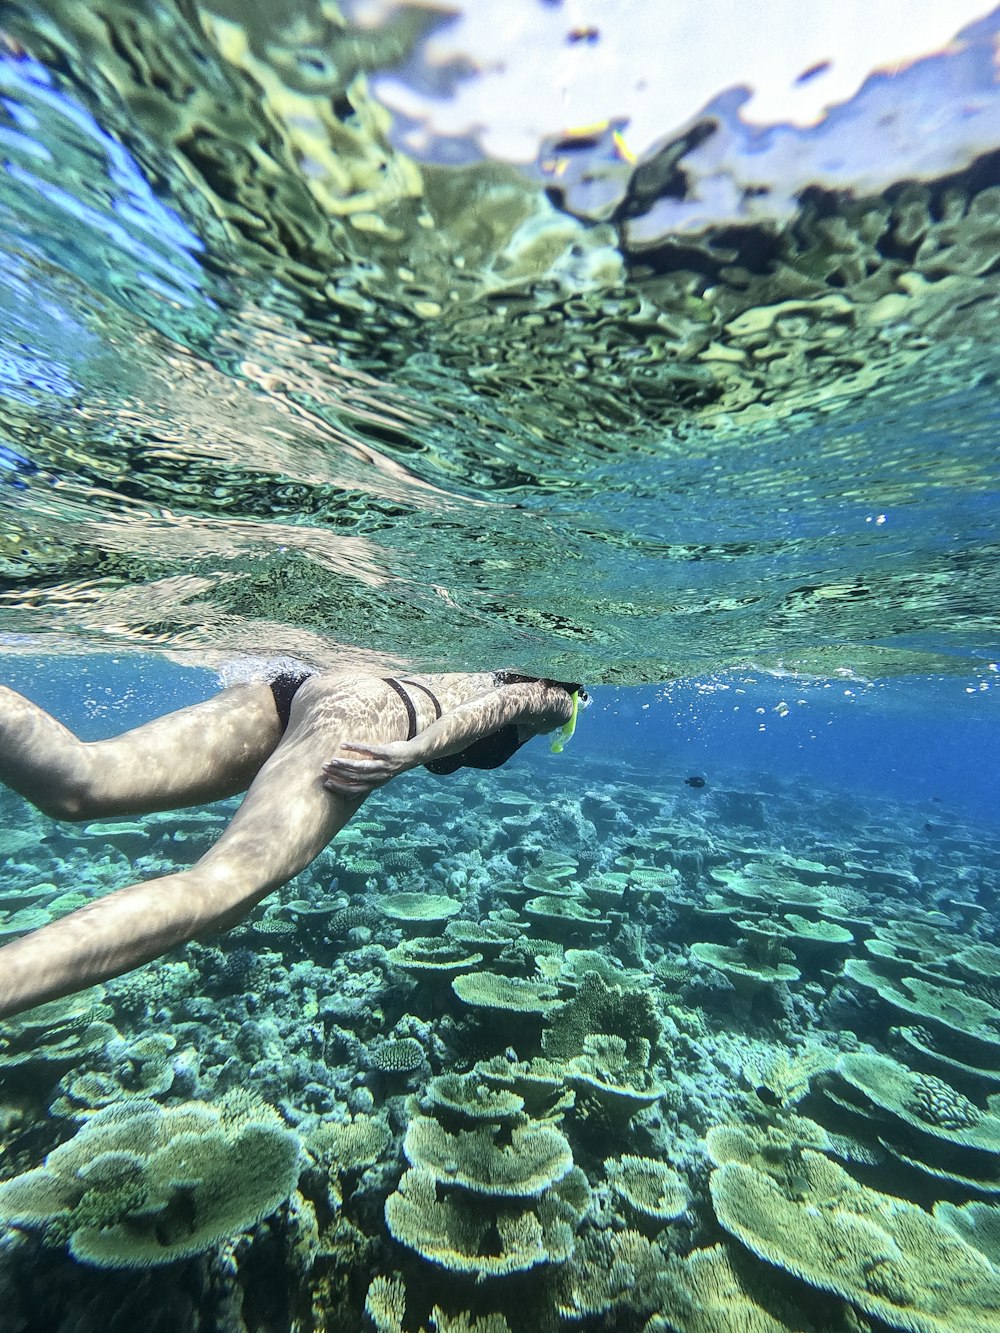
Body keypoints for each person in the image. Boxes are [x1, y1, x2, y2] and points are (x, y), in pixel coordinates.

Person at [0, 667, 584, 1020]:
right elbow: (509, 704)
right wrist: (418, 749)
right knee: (224, 889)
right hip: (369, 713)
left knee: (79, 783)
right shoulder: (561, 693)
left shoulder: (473, 660)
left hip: (299, 689)